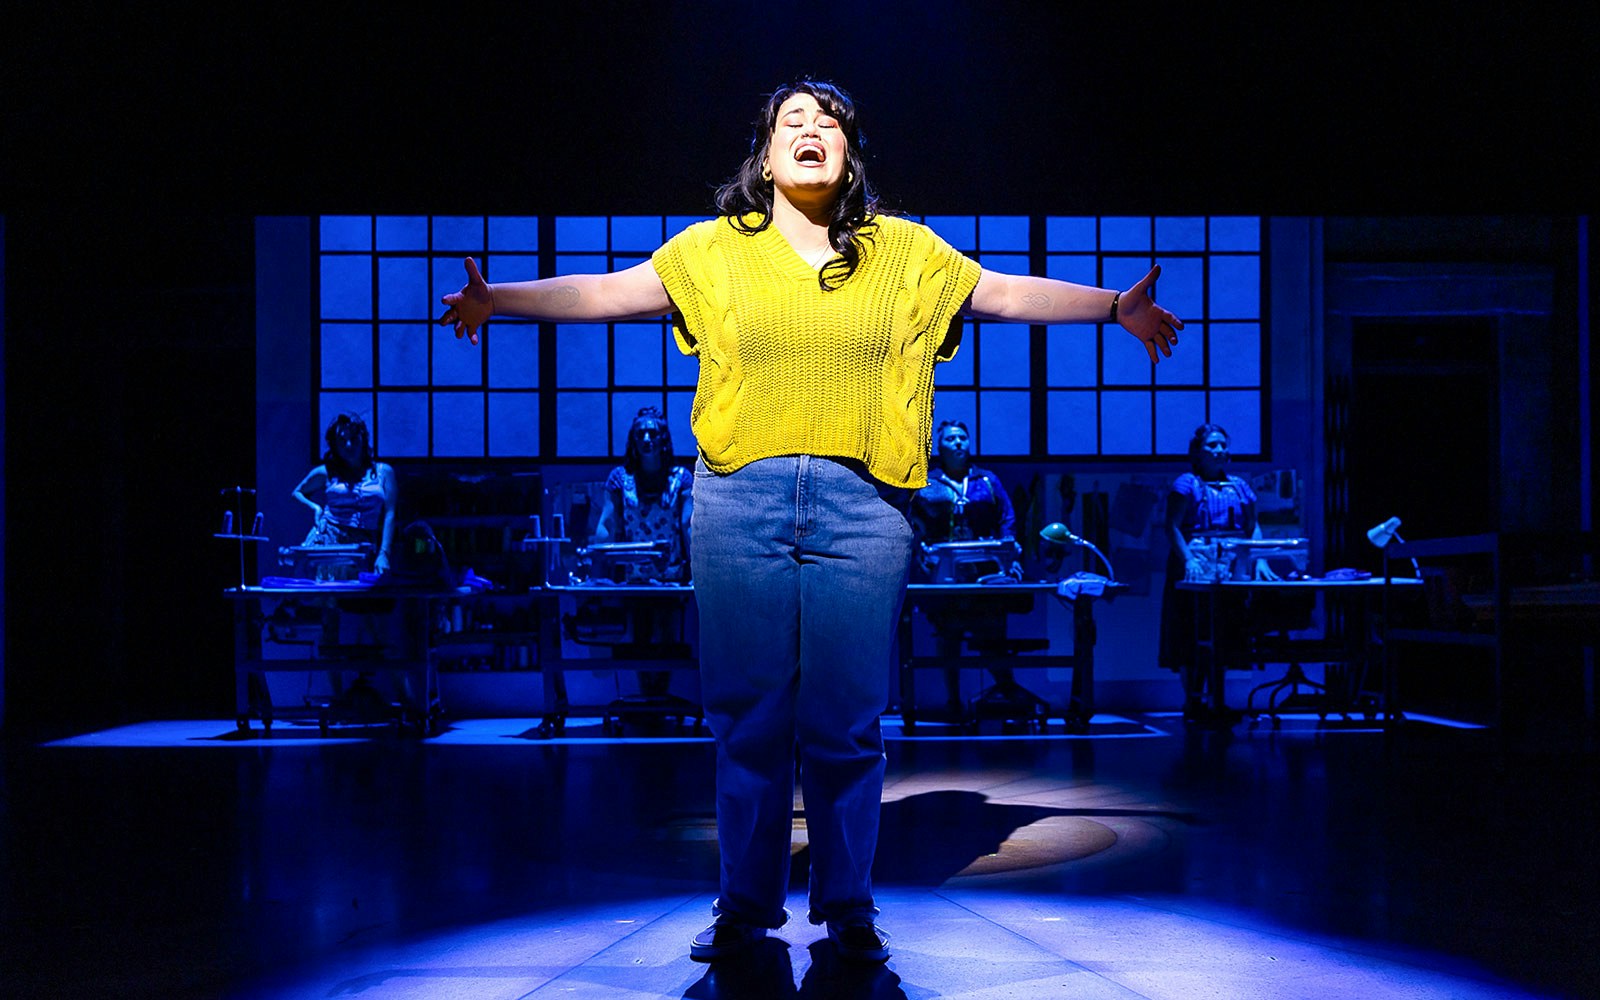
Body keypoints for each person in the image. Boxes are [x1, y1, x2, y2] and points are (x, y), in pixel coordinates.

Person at [438, 79, 1182, 964]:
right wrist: (500, 299)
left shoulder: (904, 252)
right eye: (793, 121)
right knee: (748, 719)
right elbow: (605, 293)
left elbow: (1005, 295)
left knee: (845, 721)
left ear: (849, 153)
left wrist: (1112, 307)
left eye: (828, 122)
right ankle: (745, 907)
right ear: (764, 157)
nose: (812, 131)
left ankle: (848, 906)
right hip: (737, 500)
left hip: (864, 506)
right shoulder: (712, 252)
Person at [910, 420, 1027, 717]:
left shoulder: (987, 481)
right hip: (944, 577)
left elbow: (1007, 519)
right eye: (951, 439)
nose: (959, 442)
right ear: (940, 447)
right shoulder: (929, 483)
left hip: (985, 576)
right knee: (948, 639)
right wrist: (920, 549)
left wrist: (1010, 552)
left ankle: (1008, 694)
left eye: (963, 437)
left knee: (992, 637)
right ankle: (952, 701)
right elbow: (912, 523)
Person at [1159, 423, 1276, 717]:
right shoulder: (1186, 484)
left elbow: (1253, 526)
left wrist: (1258, 559)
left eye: (1223, 445)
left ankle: (1218, 699)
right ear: (1198, 452)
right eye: (1212, 445)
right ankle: (1194, 700)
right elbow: (1172, 526)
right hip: (1193, 566)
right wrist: (1189, 560)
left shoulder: (1239, 486)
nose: (1220, 450)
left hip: (1229, 568)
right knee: (1189, 632)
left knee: (1223, 631)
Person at [592, 406, 693, 702]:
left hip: (671, 575)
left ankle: (660, 699)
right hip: (633, 575)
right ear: (633, 440)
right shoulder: (620, 479)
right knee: (639, 637)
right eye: (641, 434)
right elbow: (607, 523)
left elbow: (687, 524)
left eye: (653, 432)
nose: (647, 438)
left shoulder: (680, 478)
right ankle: (645, 700)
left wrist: (698, 570)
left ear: (663, 438)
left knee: (667, 637)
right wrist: (595, 566)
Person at [291, 413, 398, 574]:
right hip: (329, 537)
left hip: (364, 542)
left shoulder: (384, 472)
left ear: (363, 439)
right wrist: (316, 508)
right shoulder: (327, 472)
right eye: (342, 440)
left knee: (358, 594)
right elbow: (297, 492)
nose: (348, 445)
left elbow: (390, 514)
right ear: (335, 444)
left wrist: (384, 553)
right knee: (324, 594)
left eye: (354, 438)